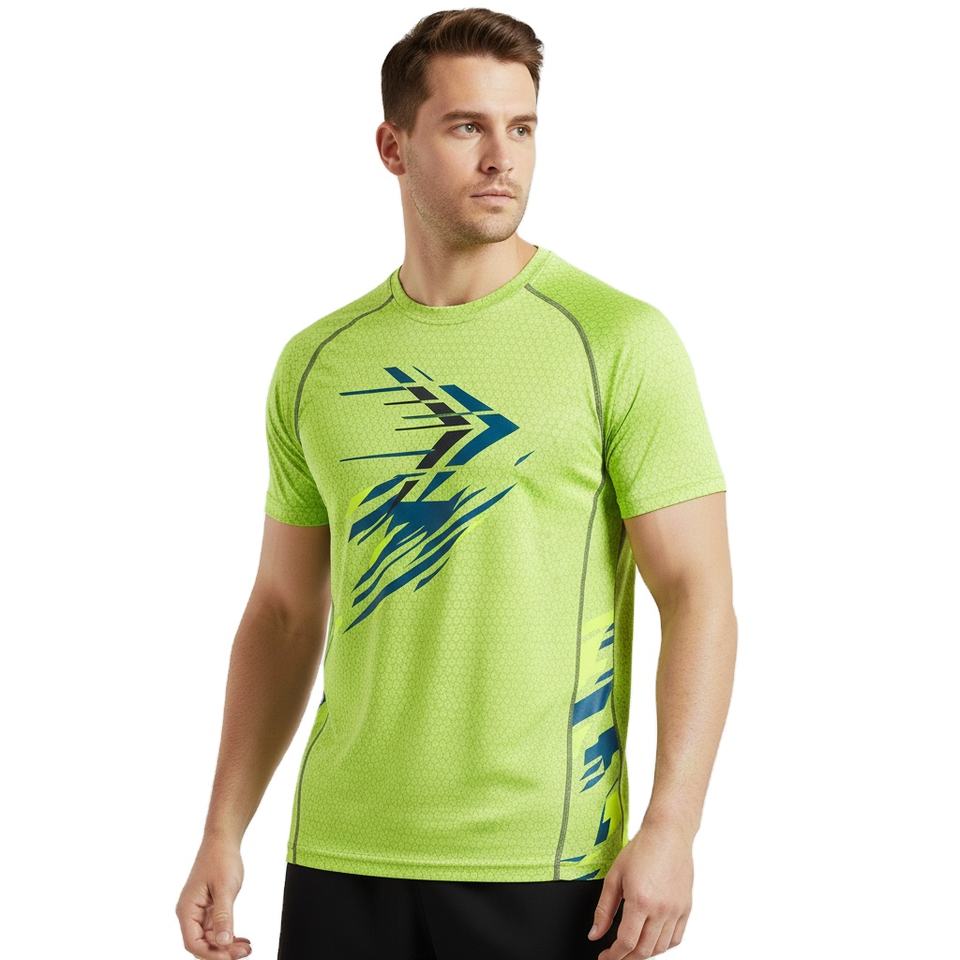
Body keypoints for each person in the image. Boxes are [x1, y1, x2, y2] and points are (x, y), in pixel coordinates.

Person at [175, 8, 737, 960]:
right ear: (393, 146)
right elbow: (281, 611)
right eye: (467, 126)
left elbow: (698, 595)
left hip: (544, 860)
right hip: (341, 851)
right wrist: (223, 829)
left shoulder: (616, 340)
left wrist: (672, 828)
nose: (501, 159)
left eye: (522, 127)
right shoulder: (317, 362)